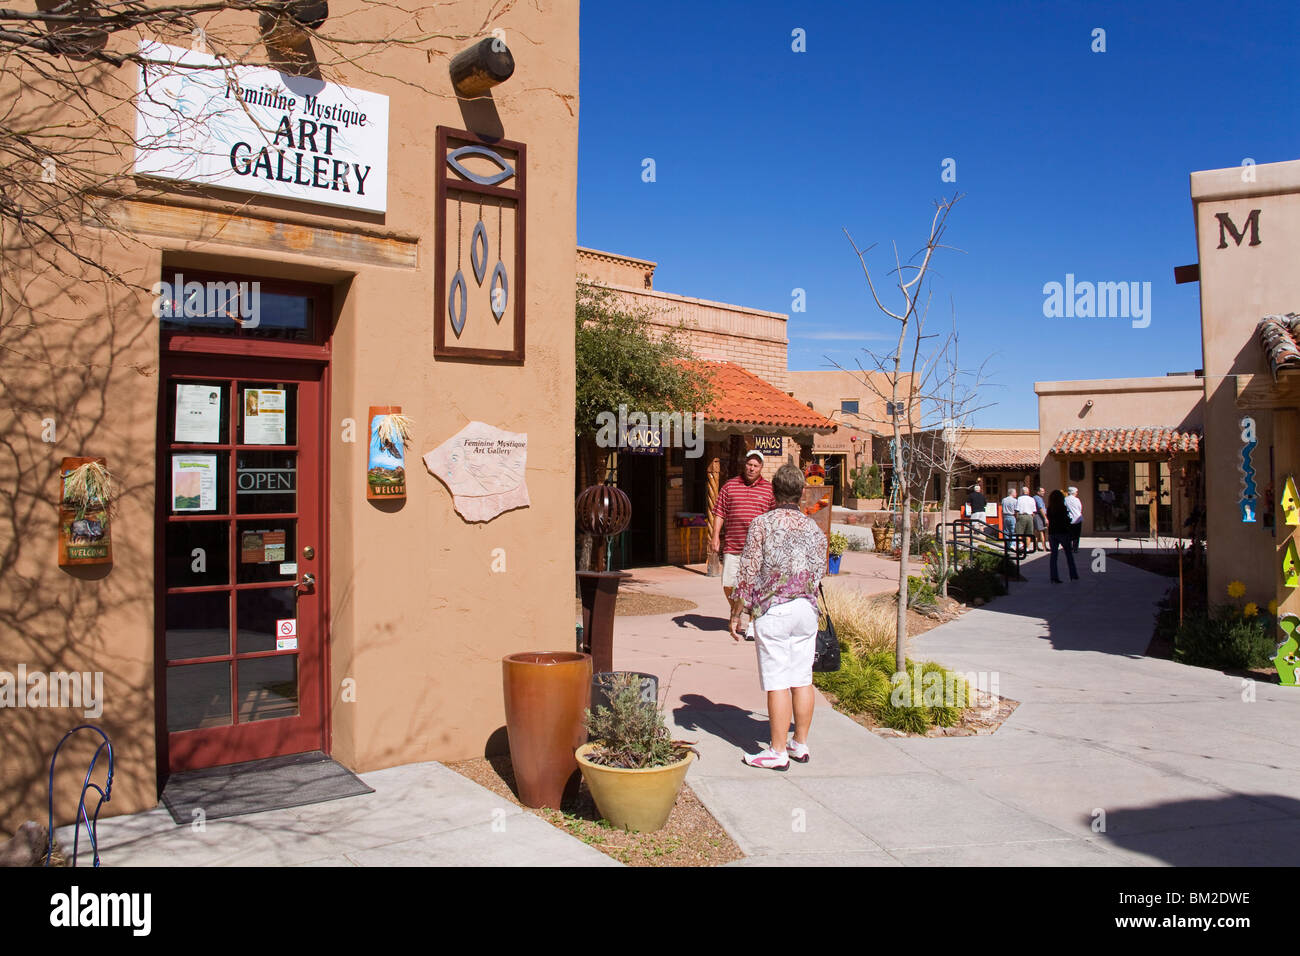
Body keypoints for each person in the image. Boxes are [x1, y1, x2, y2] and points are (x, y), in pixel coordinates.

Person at [729, 463, 827, 770]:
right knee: (802, 678)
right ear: (801, 493)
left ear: (774, 491)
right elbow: (820, 570)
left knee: (777, 681)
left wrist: (737, 612)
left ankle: (777, 750)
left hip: (774, 608)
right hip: (806, 609)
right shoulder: (814, 528)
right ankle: (800, 743)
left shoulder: (762, 524)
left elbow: (747, 571)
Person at [710, 448, 775, 640]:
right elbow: (719, 512)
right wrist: (715, 536)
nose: (752, 468)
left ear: (761, 467)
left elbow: (773, 518)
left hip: (757, 549)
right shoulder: (729, 486)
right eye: (749, 464)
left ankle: (752, 623)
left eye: (756, 465)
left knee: (755, 588)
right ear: (744, 464)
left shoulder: (769, 489)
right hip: (733, 544)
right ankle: (737, 611)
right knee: (728, 584)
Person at [1047, 489, 1080, 582]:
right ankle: (1073, 574)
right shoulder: (1062, 508)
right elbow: (1065, 521)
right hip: (1062, 533)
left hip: (1052, 533)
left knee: (1054, 555)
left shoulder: (1050, 509)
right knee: (1068, 554)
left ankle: (1054, 576)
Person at [1015, 485, 1038, 551]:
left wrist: (1017, 517)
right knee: (1029, 533)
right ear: (1028, 492)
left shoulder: (1019, 498)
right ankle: (1027, 548)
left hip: (1022, 515)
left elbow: (1017, 509)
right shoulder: (1032, 499)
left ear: (1022, 492)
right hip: (1030, 516)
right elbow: (1034, 511)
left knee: (1019, 532)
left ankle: (1020, 544)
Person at [1065, 485, 1084, 553]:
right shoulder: (1077, 500)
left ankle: (1069, 548)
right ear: (1073, 492)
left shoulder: (1065, 499)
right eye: (1076, 492)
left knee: (1069, 534)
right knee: (1076, 535)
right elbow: (1080, 508)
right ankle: (1075, 548)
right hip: (1077, 518)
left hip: (1069, 519)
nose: (1077, 493)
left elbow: (1065, 509)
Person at [1033, 486, 1049, 551]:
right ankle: (1044, 546)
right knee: (1041, 531)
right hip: (1039, 515)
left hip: (1037, 515)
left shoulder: (1037, 498)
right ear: (1038, 492)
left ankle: (1036, 547)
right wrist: (1045, 518)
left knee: (1037, 532)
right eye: (1042, 491)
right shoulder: (1038, 498)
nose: (1043, 492)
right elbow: (1040, 508)